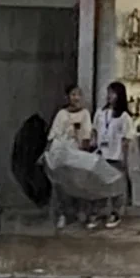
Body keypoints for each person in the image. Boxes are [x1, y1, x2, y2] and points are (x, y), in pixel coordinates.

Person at [89, 81, 135, 229]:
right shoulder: (100, 113)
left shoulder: (124, 117)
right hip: (101, 154)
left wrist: (124, 157)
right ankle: (98, 213)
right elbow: (95, 131)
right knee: (99, 185)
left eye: (113, 93)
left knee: (116, 186)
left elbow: (127, 138)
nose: (109, 96)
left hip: (116, 155)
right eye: (109, 92)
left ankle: (115, 213)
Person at [48, 84, 94, 230]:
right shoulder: (61, 114)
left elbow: (86, 134)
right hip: (62, 153)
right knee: (62, 185)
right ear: (68, 97)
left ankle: (83, 214)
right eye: (73, 95)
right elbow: (54, 134)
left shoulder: (85, 114)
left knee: (80, 185)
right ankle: (63, 214)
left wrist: (84, 150)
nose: (76, 98)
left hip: (78, 153)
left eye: (78, 95)